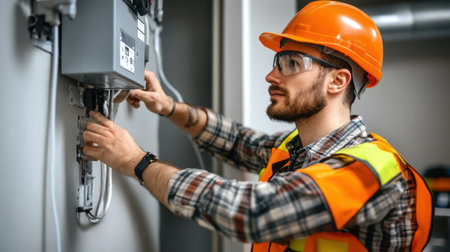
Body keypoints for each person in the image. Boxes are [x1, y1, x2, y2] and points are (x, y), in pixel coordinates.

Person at [83, 1, 433, 251]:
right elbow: (238, 142)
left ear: (338, 81)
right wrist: (169, 107)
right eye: (277, 61)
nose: (271, 75)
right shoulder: (299, 148)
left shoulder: (371, 171)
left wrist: (136, 162)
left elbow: (253, 214)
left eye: (291, 62)